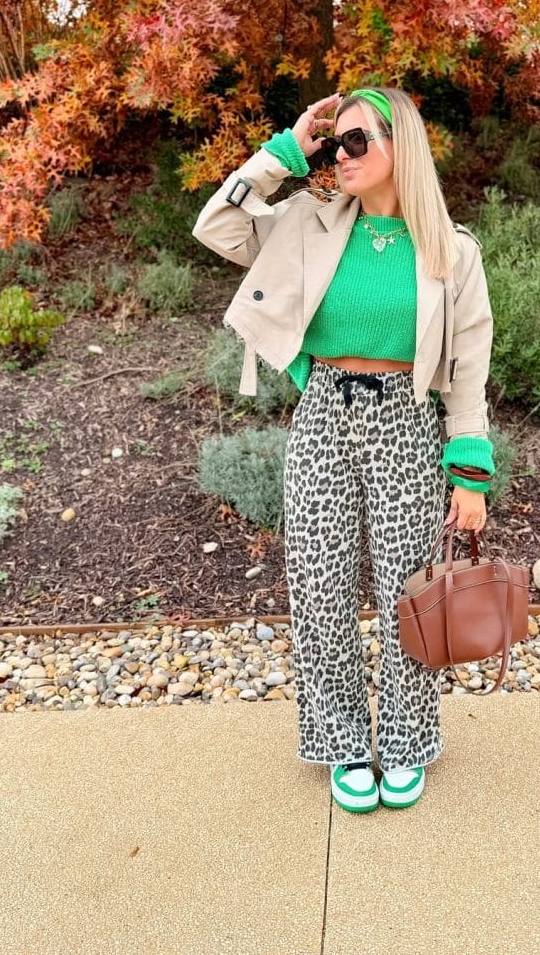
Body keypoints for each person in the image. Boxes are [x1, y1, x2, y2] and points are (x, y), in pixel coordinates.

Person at [192, 87, 495, 814]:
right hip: (324, 413)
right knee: (320, 587)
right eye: (336, 144)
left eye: (357, 141)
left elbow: (467, 369)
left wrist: (469, 474)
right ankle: (342, 742)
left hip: (405, 422)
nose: (341, 156)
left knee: (409, 595)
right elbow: (218, 225)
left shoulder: (452, 251)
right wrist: (287, 152)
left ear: (400, 146)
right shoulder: (308, 222)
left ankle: (408, 740)